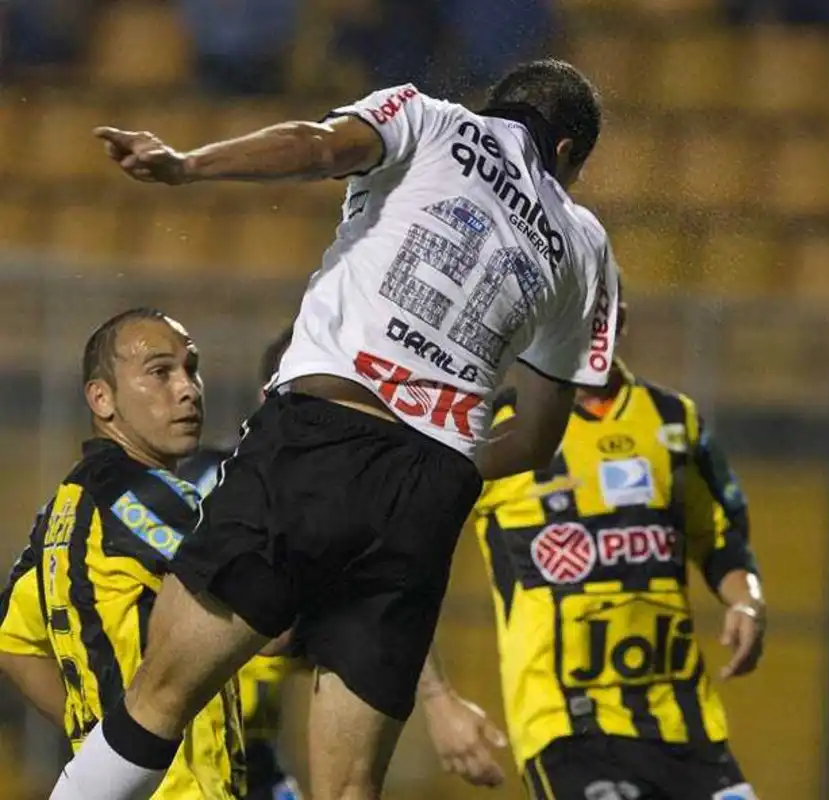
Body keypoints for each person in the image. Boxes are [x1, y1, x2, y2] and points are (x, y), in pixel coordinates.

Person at [58, 58, 619, 800]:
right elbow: (539, 436)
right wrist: (435, 461)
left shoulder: (432, 119)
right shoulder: (585, 247)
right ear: (569, 155)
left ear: (499, 106)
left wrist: (189, 166)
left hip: (322, 436)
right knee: (348, 791)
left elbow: (315, 146)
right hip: (431, 492)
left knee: (160, 697)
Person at [420, 298, 766, 799]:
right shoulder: (494, 429)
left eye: (598, 314)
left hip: (687, 728)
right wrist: (437, 699)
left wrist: (746, 599)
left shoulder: (674, 420)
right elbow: (400, 560)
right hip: (569, 730)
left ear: (620, 321)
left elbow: (717, 535)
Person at [0, 308, 247, 798]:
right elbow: (269, 619)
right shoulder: (149, 498)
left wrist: (100, 747)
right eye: (159, 372)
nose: (187, 389)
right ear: (101, 398)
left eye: (190, 368)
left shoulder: (64, 508)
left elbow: (13, 642)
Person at [175, 326, 303, 800]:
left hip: (256, 758)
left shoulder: (343, 504)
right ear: (268, 396)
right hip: (186, 754)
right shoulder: (206, 484)